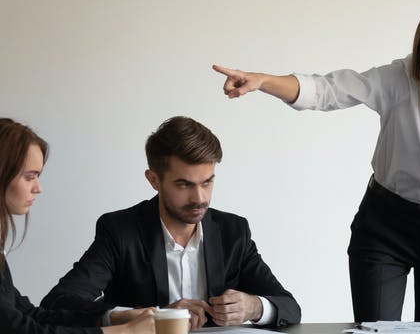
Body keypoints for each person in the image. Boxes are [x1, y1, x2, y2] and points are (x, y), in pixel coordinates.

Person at [212, 1, 420, 322]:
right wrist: (262, 81)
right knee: (375, 332)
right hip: (386, 226)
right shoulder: (397, 80)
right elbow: (328, 90)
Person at [40, 116, 301, 330]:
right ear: (154, 180)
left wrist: (254, 306)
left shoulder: (233, 231)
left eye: (207, 182)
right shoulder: (120, 231)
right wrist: (151, 315)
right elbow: (58, 303)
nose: (200, 198)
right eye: (184, 184)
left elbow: (290, 307)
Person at [0, 118, 154, 333]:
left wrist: (113, 317)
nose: (38, 188)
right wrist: (123, 331)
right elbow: (17, 330)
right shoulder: (119, 230)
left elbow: (29, 314)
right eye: (29, 177)